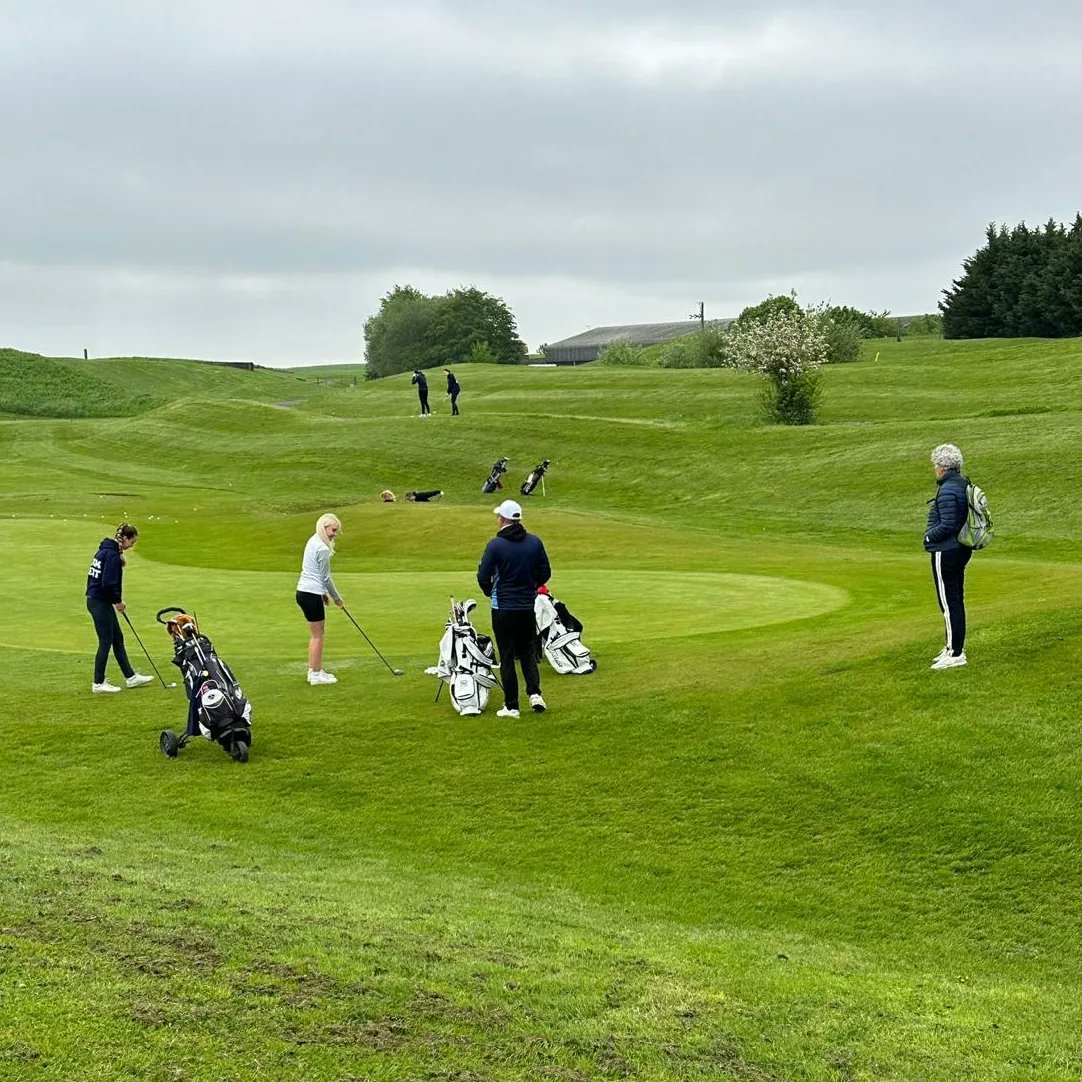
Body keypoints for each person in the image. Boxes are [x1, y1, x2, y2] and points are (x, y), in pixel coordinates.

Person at [476, 499, 551, 717]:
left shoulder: (495, 545)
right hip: (527, 605)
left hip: (503, 607)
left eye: (499, 516)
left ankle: (511, 705)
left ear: (504, 518)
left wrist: (490, 591)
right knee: (527, 651)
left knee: (507, 655)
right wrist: (531, 587)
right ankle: (535, 694)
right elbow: (545, 572)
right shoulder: (534, 542)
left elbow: (483, 576)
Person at [84, 522, 155, 693]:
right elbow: (108, 583)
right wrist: (118, 602)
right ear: (124, 539)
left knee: (118, 638)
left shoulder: (105, 551)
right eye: (132, 541)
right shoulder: (112, 555)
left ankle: (130, 677)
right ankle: (98, 683)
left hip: (98, 600)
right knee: (106, 641)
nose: (133, 545)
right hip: (99, 601)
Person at [924, 443, 972, 670]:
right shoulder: (961, 484)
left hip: (946, 549)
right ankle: (951, 646)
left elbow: (948, 525)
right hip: (959, 549)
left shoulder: (947, 489)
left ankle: (955, 653)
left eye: (936, 465)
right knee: (954, 600)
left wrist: (928, 538)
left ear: (943, 467)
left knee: (948, 602)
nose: (935, 468)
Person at [295, 513, 346, 685]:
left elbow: (316, 574)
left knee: (317, 633)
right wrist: (337, 598)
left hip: (305, 592)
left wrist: (323, 593)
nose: (335, 534)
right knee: (318, 635)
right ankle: (315, 675)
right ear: (324, 528)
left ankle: (315, 670)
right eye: (333, 530)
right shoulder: (323, 548)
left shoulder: (313, 540)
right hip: (310, 593)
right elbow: (325, 577)